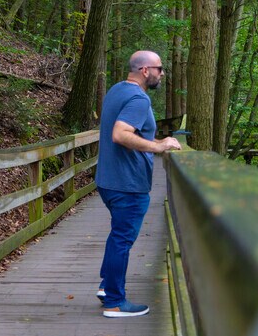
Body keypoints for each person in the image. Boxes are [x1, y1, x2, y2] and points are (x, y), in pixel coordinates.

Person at [94, 50, 181, 318]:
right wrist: (158, 145)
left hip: (108, 181)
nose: (162, 73)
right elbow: (120, 134)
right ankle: (115, 303)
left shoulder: (117, 90)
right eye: (159, 68)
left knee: (117, 235)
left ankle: (107, 286)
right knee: (122, 238)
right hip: (127, 184)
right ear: (145, 71)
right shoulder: (138, 99)